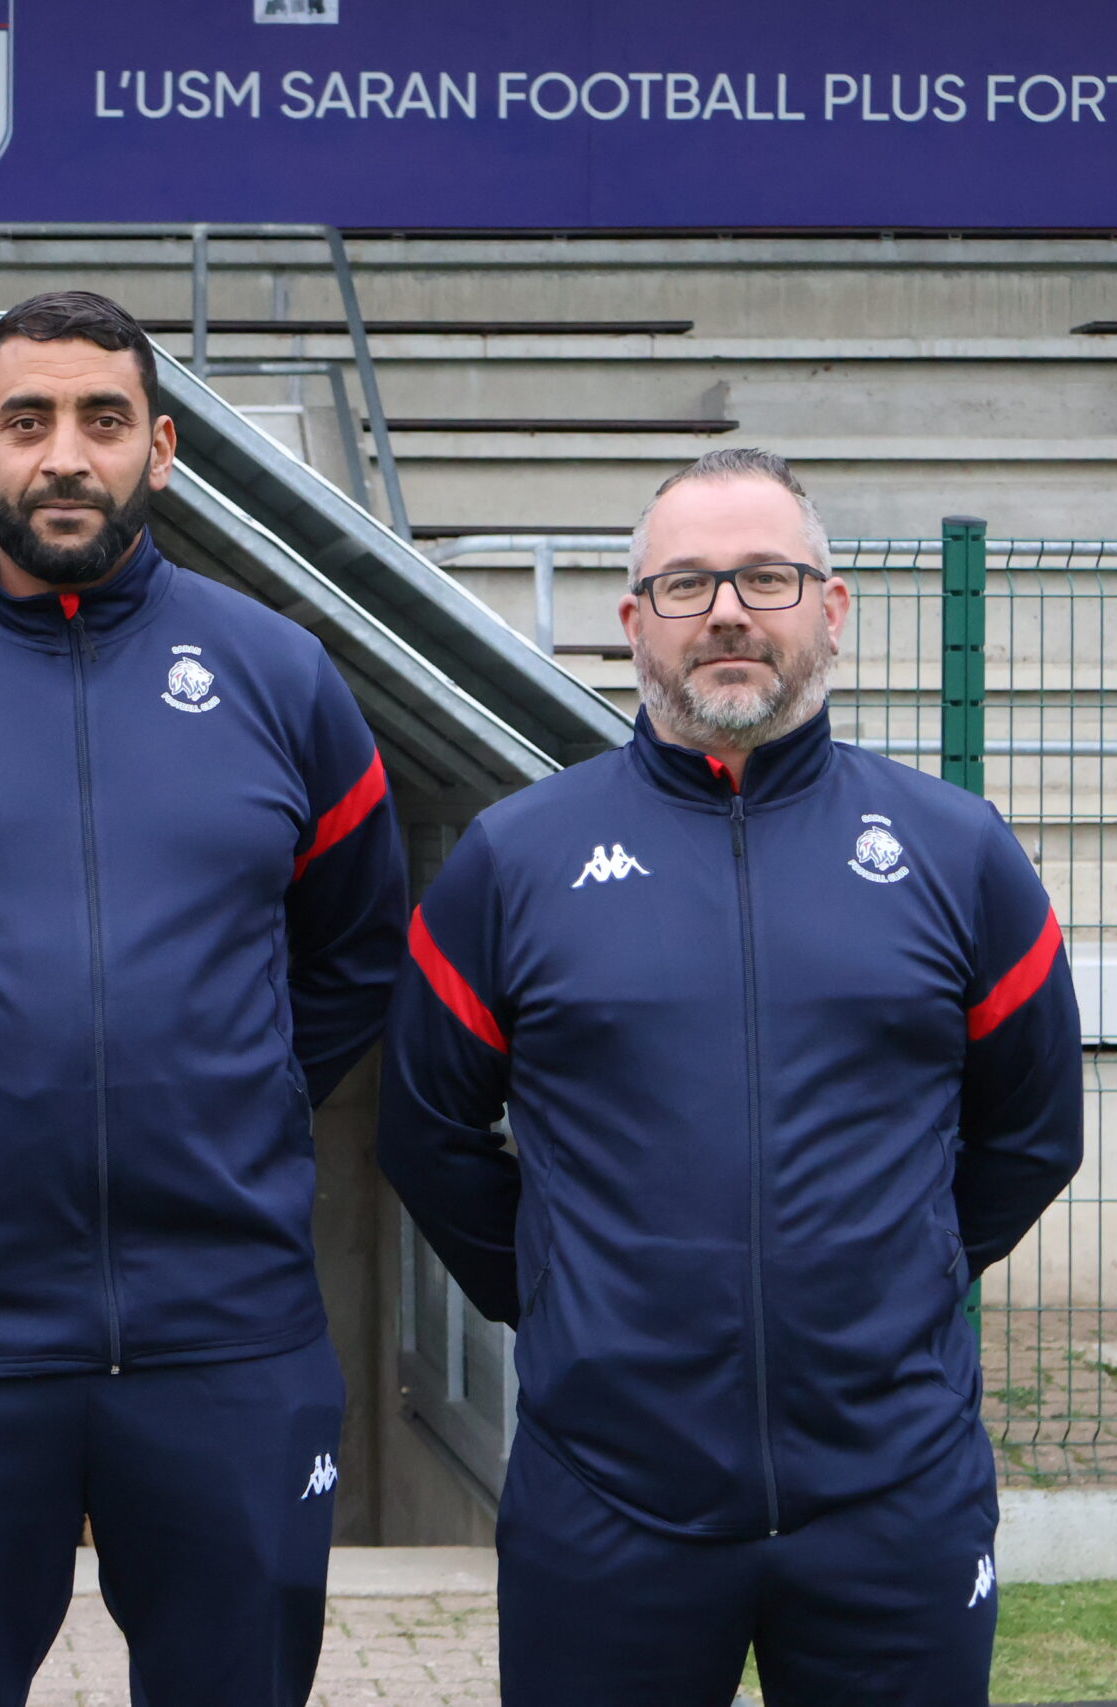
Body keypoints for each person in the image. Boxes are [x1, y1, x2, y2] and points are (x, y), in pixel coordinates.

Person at [0, 291, 406, 1707]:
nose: (65, 454)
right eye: (27, 420)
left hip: (225, 1328)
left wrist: (233, 1093)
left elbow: (355, 949)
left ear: (160, 450)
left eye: (103, 420)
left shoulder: (281, 677)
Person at [381, 448, 1084, 1706]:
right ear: (631, 621)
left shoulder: (958, 854)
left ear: (831, 608)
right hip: (606, 1503)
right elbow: (426, 1135)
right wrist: (559, 1293)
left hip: (893, 1500)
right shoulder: (513, 859)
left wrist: (905, 1269)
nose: (725, 612)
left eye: (766, 577)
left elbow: (1032, 1133)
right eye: (686, 583)